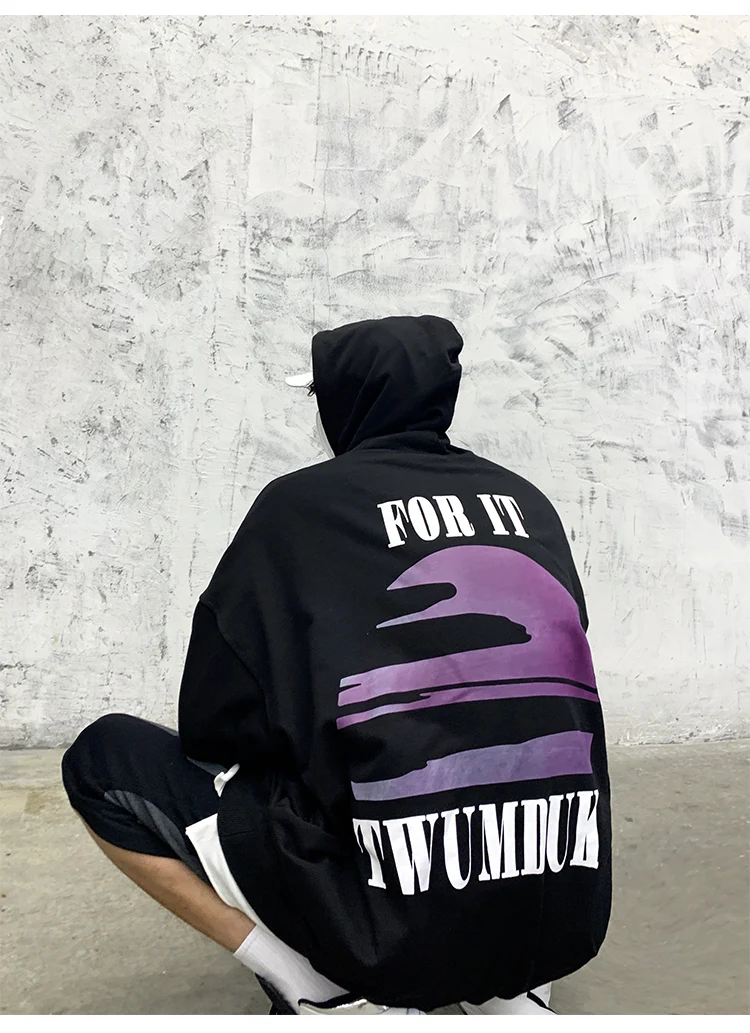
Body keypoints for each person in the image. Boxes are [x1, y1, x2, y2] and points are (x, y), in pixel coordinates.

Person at [62, 315, 611, 1015]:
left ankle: (320, 992)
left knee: (101, 759)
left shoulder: (295, 510)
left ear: (348, 400)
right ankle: (509, 990)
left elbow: (211, 724)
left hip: (392, 936)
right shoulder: (529, 502)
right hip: (560, 919)